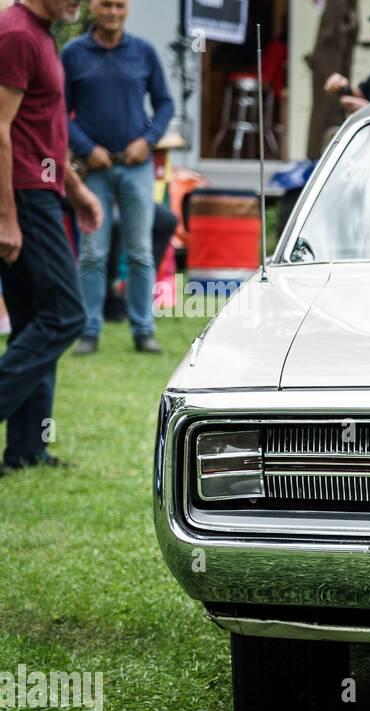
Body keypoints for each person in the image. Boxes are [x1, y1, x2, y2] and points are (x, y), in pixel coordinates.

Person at [0, 0, 105, 475]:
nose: (78, 3)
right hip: (23, 196)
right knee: (65, 316)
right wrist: (6, 217)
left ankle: (26, 450)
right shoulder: (18, 34)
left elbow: (39, 132)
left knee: (34, 322)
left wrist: (77, 190)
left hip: (39, 190)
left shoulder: (40, 33)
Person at [62, 0, 173, 355]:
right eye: (105, 5)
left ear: (127, 9)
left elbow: (165, 103)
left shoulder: (143, 51)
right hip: (94, 168)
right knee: (93, 252)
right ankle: (89, 330)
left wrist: (149, 140)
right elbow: (57, 111)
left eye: (119, 6)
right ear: (93, 7)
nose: (112, 12)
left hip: (135, 165)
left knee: (140, 251)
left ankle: (143, 330)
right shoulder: (74, 53)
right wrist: (84, 147)